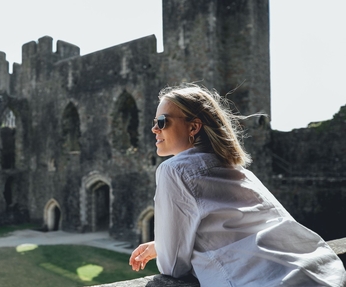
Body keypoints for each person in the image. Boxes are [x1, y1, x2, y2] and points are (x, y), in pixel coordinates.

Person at [129, 84, 346, 286]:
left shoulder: (174, 170)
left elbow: (173, 266)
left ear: (194, 126)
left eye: (162, 122)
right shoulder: (240, 171)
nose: (154, 129)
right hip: (323, 272)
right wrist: (164, 244)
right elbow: (244, 233)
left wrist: (168, 248)